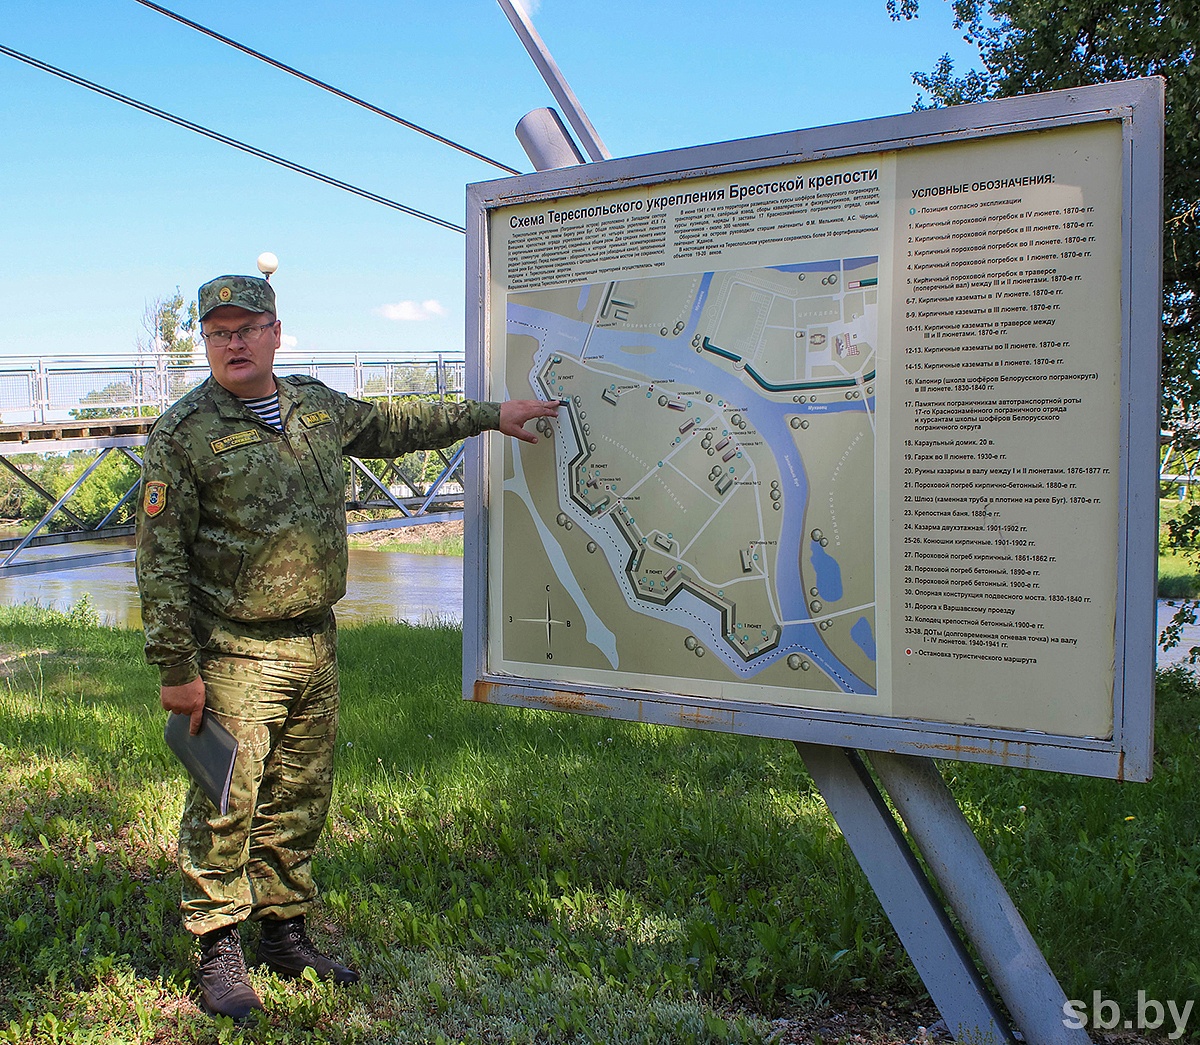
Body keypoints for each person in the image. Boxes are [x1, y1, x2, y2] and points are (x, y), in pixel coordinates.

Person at [136, 273, 558, 1020]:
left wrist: (493, 414)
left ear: (275, 331)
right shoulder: (182, 432)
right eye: (217, 332)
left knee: (301, 795)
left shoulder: (316, 406)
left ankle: (283, 929)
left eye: (246, 327)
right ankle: (216, 945)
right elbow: (160, 557)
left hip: (314, 644)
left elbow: (400, 422)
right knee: (226, 800)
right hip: (233, 651)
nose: (232, 342)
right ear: (206, 342)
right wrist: (177, 668)